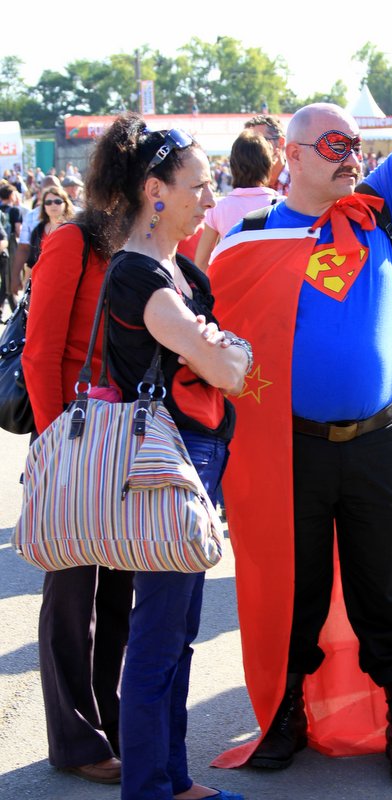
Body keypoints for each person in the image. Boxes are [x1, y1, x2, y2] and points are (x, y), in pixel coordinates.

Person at [208, 2, 392, 783]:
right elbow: (209, 347)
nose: (350, 156)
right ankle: (285, 718)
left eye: (354, 143)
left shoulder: (374, 210)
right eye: (333, 144)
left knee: (384, 584)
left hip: (375, 444)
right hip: (288, 452)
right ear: (293, 158)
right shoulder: (250, 243)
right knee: (295, 590)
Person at [87, 112, 249, 800]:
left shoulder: (174, 268)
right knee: (158, 639)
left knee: (176, 633)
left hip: (188, 463)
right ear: (155, 189)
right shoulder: (137, 275)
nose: (209, 199)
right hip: (168, 465)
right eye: (199, 185)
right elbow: (224, 366)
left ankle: (173, 780)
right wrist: (222, 350)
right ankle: (151, 788)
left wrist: (221, 351)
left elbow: (221, 358)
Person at [22, 187, 135, 783]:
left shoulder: (140, 246)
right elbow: (40, 353)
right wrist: (51, 449)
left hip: (126, 438)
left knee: (119, 591)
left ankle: (110, 723)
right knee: (72, 597)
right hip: (72, 438)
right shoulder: (72, 243)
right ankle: (75, 741)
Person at [194, 130, 279, 271]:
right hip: (270, 285)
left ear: (233, 165)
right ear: (267, 165)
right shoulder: (282, 205)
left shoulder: (218, 207)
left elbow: (201, 262)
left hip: (231, 286)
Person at [10, 174, 62, 293]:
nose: (53, 204)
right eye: (48, 199)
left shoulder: (77, 215)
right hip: (40, 278)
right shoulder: (32, 218)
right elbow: (24, 248)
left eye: (56, 191)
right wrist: (15, 275)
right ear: (41, 194)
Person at [27, 185, 75, 268]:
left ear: (66, 204)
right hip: (42, 276)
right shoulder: (38, 230)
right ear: (44, 207)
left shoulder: (74, 229)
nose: (53, 205)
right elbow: (31, 261)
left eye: (58, 201)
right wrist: (26, 280)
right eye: (48, 202)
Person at [244, 114, 290, 195]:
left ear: (280, 142)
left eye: (260, 141)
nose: (251, 149)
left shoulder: (301, 183)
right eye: (247, 144)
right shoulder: (245, 186)